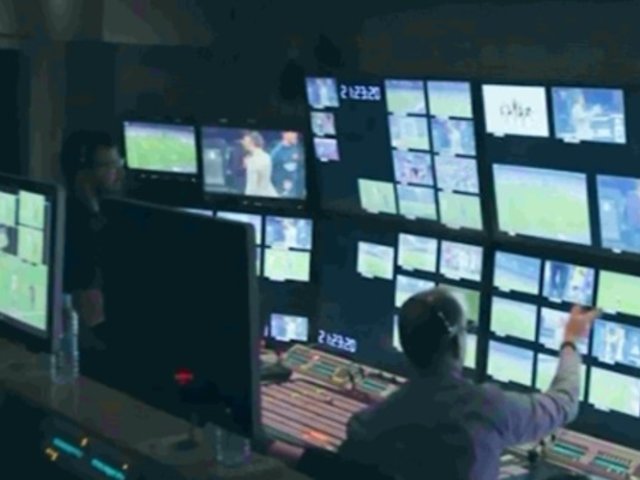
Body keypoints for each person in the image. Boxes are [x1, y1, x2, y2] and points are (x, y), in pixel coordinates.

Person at [336, 287, 597, 479]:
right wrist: (570, 341)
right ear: (456, 344)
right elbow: (564, 402)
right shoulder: (487, 408)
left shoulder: (367, 424)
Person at [60, 130, 123, 332]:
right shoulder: (79, 232)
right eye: (109, 165)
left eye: (118, 163)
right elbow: (93, 317)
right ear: (83, 174)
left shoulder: (101, 217)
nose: (118, 172)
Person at [241, 131, 278, 198]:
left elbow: (252, 185)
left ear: (251, 142)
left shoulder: (253, 160)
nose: (243, 143)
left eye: (245, 141)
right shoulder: (267, 156)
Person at [270, 131, 304, 198]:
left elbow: (300, 167)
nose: (295, 135)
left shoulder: (297, 148)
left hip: (297, 192)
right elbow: (270, 171)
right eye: (292, 133)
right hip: (282, 193)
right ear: (284, 134)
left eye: (295, 133)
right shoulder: (276, 152)